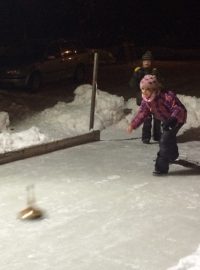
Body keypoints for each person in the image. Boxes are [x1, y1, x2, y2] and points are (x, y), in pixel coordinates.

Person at [127, 75, 187, 176]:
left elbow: (178, 109)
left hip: (177, 118)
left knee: (164, 140)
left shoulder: (166, 96)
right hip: (166, 119)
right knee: (169, 138)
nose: (144, 92)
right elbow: (142, 113)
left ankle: (161, 168)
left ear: (155, 89)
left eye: (148, 89)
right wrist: (133, 125)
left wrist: (173, 119)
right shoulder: (146, 100)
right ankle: (173, 155)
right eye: (142, 89)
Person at [129, 50, 161, 144]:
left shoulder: (154, 71)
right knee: (147, 118)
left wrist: (157, 77)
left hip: (155, 99)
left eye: (149, 60)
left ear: (152, 62)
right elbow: (132, 85)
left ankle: (157, 136)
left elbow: (161, 85)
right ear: (142, 62)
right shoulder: (139, 71)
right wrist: (135, 75)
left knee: (157, 118)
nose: (146, 62)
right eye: (145, 60)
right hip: (144, 99)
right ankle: (146, 137)